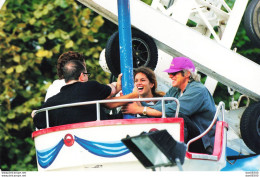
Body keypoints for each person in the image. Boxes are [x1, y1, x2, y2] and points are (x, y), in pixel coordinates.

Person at [122, 57, 216, 154]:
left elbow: (172, 110)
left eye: (174, 73)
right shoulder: (175, 90)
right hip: (191, 136)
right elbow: (159, 107)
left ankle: (172, 150)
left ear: (187, 73)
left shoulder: (198, 90)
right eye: (169, 73)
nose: (170, 76)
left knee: (179, 116)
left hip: (203, 142)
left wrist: (139, 109)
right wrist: (136, 101)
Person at [33, 60, 138, 129]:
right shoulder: (90, 87)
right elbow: (112, 89)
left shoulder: (51, 102)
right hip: (101, 134)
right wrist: (128, 91)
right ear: (82, 76)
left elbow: (37, 120)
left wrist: (33, 113)